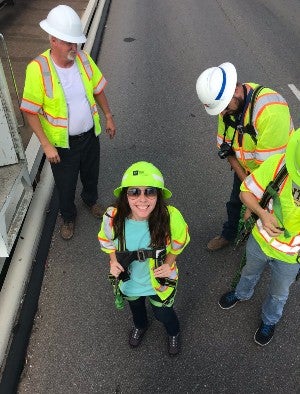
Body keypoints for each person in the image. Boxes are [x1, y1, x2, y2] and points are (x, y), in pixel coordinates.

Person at [20, 5, 116, 240]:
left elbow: (97, 89)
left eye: (76, 43)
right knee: (66, 184)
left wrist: (109, 116)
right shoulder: (38, 69)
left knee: (91, 174)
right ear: (53, 40)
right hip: (63, 145)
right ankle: (68, 216)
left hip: (90, 136)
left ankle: (90, 201)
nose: (75, 48)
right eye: (69, 43)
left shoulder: (83, 59)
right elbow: (30, 111)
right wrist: (45, 145)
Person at [195, 62, 294, 251]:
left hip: (275, 175)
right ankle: (229, 234)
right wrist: (245, 189)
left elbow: (268, 172)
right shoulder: (227, 106)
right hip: (246, 169)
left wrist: (252, 201)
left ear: (236, 90)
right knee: (235, 202)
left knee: (271, 212)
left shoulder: (270, 111)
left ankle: (267, 248)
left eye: (224, 107)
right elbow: (228, 150)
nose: (222, 113)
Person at [98, 161, 190, 355]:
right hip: (130, 280)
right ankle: (141, 325)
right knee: (136, 308)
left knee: (163, 313)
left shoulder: (171, 217)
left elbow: (180, 242)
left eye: (149, 191)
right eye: (134, 192)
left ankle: (173, 332)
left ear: (158, 195)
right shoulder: (112, 217)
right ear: (125, 195)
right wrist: (114, 262)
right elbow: (106, 241)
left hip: (160, 281)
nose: (142, 199)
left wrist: (169, 263)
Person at [218, 129, 300, 346]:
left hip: (291, 257)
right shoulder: (280, 164)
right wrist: (263, 214)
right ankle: (242, 293)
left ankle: (269, 320)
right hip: (260, 242)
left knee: (279, 294)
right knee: (248, 272)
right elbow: (245, 192)